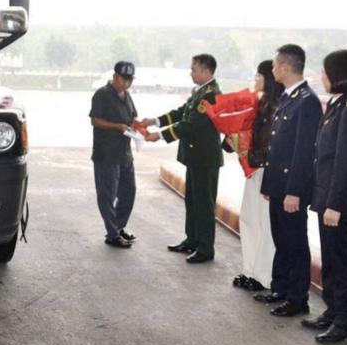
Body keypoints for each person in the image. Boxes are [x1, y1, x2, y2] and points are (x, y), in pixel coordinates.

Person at [302, 50, 347, 343]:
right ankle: (332, 311)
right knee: (331, 258)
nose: (322, 77)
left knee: (342, 259)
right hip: (328, 197)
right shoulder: (339, 104)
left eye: (325, 71)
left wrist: (335, 204)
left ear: (340, 73)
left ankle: (345, 322)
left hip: (341, 201)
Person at [256, 44, 322, 317]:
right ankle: (280, 287)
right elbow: (278, 146)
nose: (271, 71)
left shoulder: (307, 101)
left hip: (292, 188)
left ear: (285, 68)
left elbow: (304, 151)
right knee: (281, 239)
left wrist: (294, 191)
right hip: (279, 186)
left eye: (274, 66)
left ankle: (298, 299)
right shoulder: (287, 97)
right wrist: (271, 186)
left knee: (295, 242)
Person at [142, 54, 223, 263]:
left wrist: (159, 135)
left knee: (204, 203)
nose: (191, 72)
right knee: (193, 200)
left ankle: (205, 248)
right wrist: (155, 120)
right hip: (195, 157)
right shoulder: (200, 91)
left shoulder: (211, 94)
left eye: (194, 69)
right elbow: (182, 113)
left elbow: (190, 124)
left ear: (206, 72)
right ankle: (192, 240)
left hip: (205, 159)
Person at [230, 60, 284, 291]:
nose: (256, 80)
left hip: (266, 169)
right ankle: (250, 269)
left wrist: (250, 154)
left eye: (259, 76)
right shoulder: (262, 102)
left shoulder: (279, 105)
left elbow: (275, 145)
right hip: (253, 169)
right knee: (250, 220)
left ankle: (264, 276)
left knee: (265, 225)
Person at [89, 61, 139, 248]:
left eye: (130, 80)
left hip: (124, 154)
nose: (127, 84)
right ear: (115, 76)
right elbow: (95, 120)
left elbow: (132, 117)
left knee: (129, 191)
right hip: (106, 154)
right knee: (107, 194)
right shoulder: (103, 94)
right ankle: (112, 233)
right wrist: (117, 127)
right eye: (124, 79)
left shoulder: (127, 96)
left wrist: (138, 125)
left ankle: (118, 227)